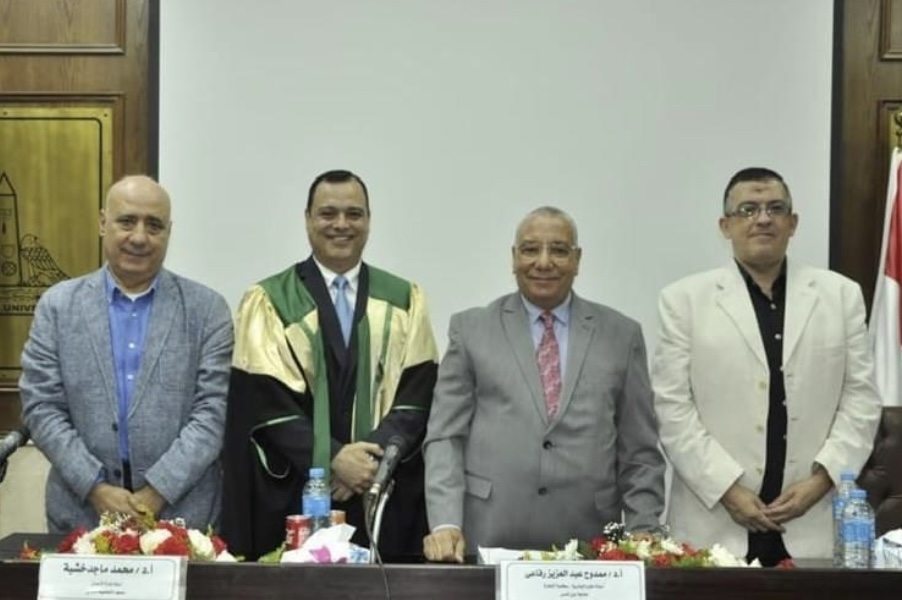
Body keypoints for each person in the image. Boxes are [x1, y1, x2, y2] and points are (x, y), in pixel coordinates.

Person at [651, 167, 881, 565]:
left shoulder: (840, 295)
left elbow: (861, 399)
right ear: (725, 226)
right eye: (748, 209)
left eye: (775, 208)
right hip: (716, 524)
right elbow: (672, 409)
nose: (762, 219)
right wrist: (728, 491)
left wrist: (822, 480)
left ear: (793, 223)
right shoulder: (684, 300)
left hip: (812, 520)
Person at [422, 206, 666, 562]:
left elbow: (639, 448)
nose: (544, 262)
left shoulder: (620, 335)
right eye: (530, 249)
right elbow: (445, 436)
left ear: (577, 260)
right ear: (514, 257)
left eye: (559, 250)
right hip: (489, 537)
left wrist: (644, 527)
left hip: (591, 544)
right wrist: (445, 523)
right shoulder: (471, 330)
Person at [220, 169, 439, 560]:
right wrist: (333, 458)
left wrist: (367, 462)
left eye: (354, 214)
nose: (341, 224)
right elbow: (263, 401)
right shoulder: (269, 300)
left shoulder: (404, 299)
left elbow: (416, 395)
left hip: (381, 491)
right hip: (296, 493)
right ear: (307, 219)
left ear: (369, 220)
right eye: (327, 213)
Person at [19, 175, 234, 533]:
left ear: (169, 232)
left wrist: (156, 493)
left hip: (183, 518)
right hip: (81, 515)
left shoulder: (207, 310)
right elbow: (41, 406)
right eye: (127, 221)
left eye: (154, 225)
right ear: (103, 223)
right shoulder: (57, 307)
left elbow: (213, 412)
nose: (139, 237)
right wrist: (96, 488)